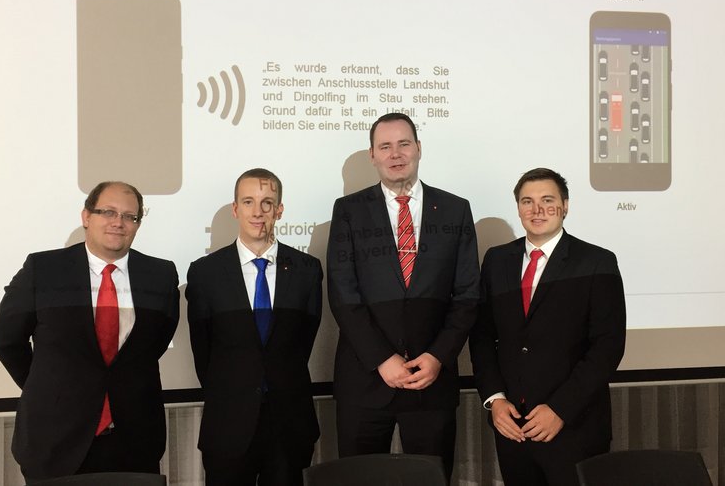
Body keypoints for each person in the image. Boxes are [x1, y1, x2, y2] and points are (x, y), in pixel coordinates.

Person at [0, 181, 179, 483]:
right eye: (108, 212)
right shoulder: (44, 269)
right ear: (86, 217)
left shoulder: (160, 274)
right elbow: (7, 339)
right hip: (55, 439)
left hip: (133, 440)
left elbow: (155, 343)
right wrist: (49, 387)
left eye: (130, 216)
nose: (118, 222)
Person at [326, 112, 480, 478]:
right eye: (385, 146)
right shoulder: (348, 211)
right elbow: (343, 294)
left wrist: (438, 357)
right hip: (365, 382)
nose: (395, 154)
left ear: (419, 149)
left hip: (431, 383)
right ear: (372, 155)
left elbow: (468, 294)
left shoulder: (456, 210)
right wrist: (382, 359)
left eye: (403, 144)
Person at [469, 168, 626, 486]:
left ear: (565, 206)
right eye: (527, 201)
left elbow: (607, 347)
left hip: (573, 427)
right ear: (518, 208)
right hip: (513, 427)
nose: (536, 209)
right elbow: (482, 336)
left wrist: (560, 409)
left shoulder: (597, 262)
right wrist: (495, 400)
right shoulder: (497, 260)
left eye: (547, 200)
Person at [186, 168, 322, 486]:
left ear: (279, 210)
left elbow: (304, 341)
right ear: (236, 209)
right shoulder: (205, 273)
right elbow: (203, 351)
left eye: (267, 202)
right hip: (227, 426)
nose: (257, 212)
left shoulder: (307, 270)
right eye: (248, 202)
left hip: (290, 424)